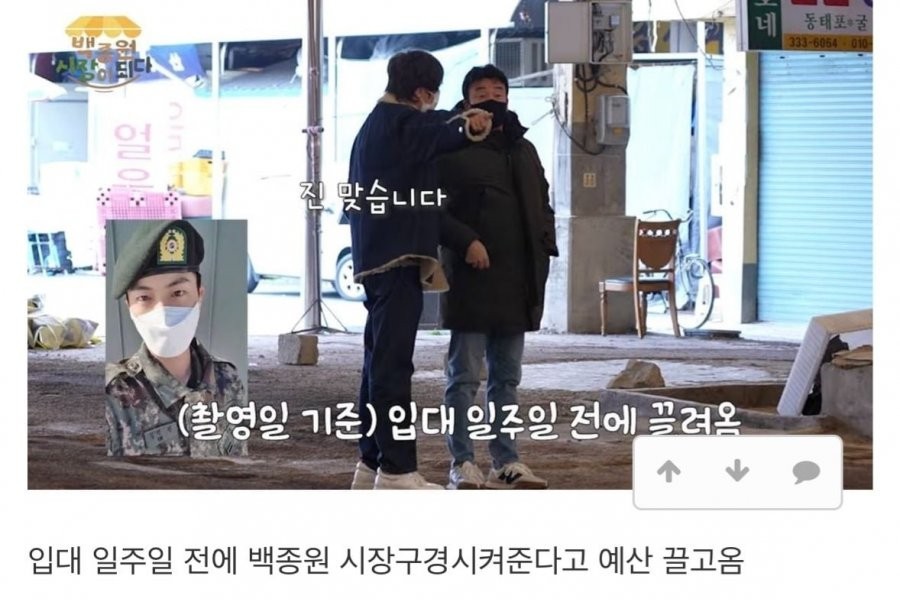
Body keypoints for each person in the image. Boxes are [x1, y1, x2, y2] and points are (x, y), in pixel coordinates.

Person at [346, 49, 493, 490]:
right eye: (434, 94)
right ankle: (397, 470)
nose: (434, 102)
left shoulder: (379, 124)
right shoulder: (402, 125)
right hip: (395, 261)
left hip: (377, 260)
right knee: (391, 368)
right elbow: (438, 132)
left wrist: (459, 118)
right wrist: (469, 125)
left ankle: (371, 462)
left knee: (377, 365)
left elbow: (434, 127)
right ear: (421, 93)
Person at [437, 64, 559, 490]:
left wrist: (544, 245)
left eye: (498, 90)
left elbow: (543, 202)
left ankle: (506, 461)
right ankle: (462, 462)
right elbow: (434, 208)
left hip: (517, 278)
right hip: (471, 278)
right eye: (480, 91)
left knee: (507, 377)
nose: (491, 97)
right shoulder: (451, 146)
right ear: (466, 100)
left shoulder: (523, 148)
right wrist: (466, 241)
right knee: (464, 377)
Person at [104, 220, 247, 457]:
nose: (163, 312)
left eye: (178, 293)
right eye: (144, 297)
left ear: (199, 295)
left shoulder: (227, 378)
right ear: (129, 305)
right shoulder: (113, 395)